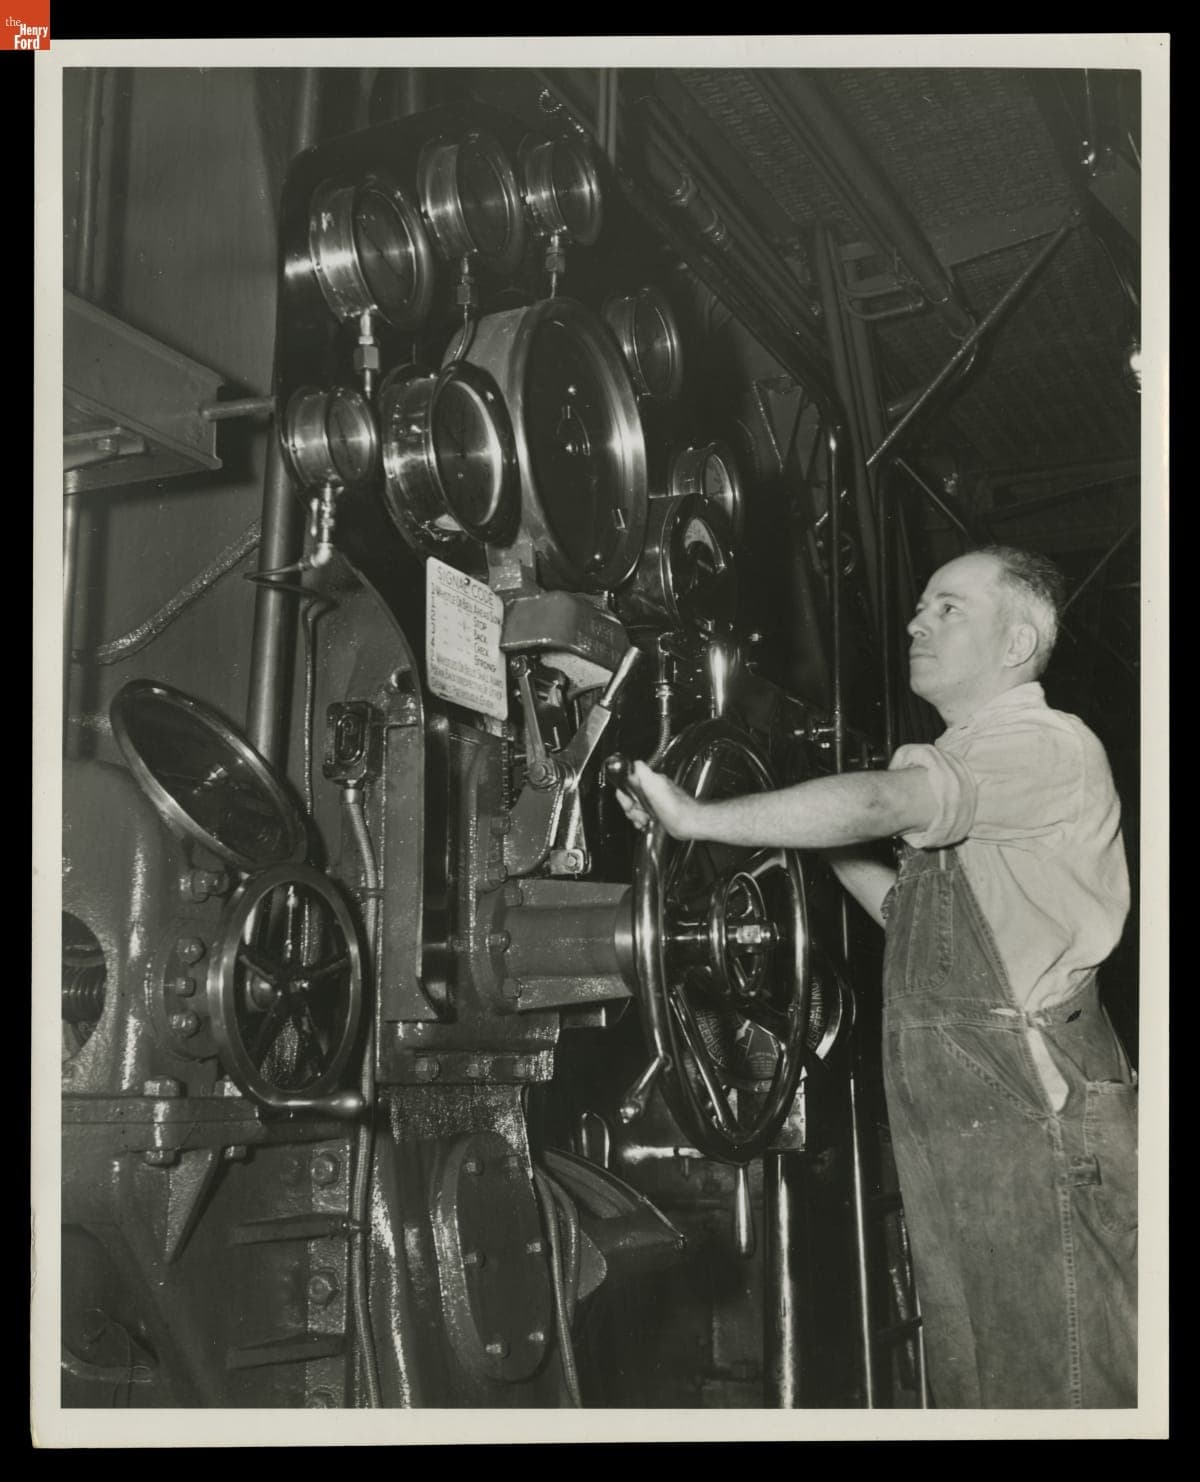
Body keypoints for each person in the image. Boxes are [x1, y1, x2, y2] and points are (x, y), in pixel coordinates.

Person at [616, 545, 1137, 1409]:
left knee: (1062, 1387)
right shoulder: (975, 768)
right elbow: (915, 923)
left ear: (1016, 644)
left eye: (948, 607)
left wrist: (700, 817)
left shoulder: (1045, 747)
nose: (914, 621)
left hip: (1038, 1123)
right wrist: (790, 829)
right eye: (921, 605)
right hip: (968, 1132)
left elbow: (885, 803)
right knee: (980, 1388)